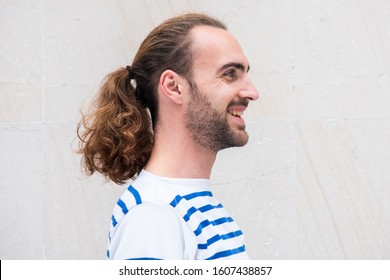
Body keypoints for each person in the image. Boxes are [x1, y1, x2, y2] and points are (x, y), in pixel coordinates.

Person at [77, 12, 259, 260]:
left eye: (246, 74)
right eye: (230, 74)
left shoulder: (185, 206)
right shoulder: (154, 217)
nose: (252, 91)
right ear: (173, 87)